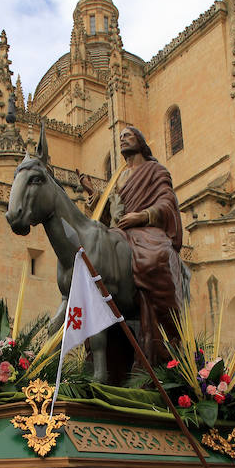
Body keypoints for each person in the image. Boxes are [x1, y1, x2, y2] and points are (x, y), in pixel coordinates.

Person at [78, 126, 185, 364]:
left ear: (141, 140)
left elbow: (167, 201)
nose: (123, 139)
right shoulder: (120, 177)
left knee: (157, 257)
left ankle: (172, 328)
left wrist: (144, 215)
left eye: (128, 136)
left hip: (147, 229)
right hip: (120, 232)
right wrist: (93, 193)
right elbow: (114, 215)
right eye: (120, 137)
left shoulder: (156, 170)